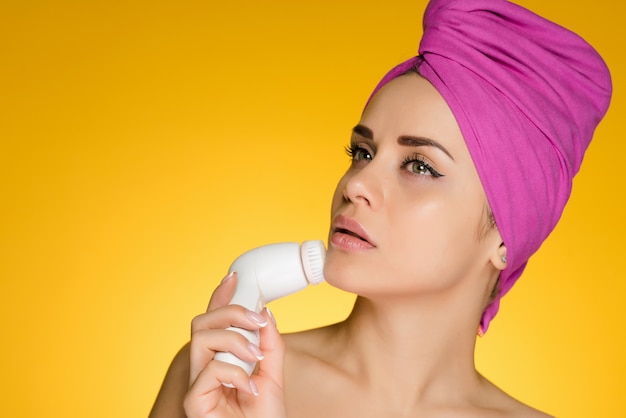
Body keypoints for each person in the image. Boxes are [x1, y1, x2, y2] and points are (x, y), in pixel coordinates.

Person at [149, 0, 612, 416]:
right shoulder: (222, 382)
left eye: (419, 165)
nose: (357, 184)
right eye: (362, 153)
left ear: (506, 238)